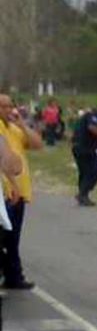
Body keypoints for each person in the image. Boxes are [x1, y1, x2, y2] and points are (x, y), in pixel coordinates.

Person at [0, 94, 44, 289]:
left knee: (13, 238)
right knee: (3, 237)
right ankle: (10, 272)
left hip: (19, 192)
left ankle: (13, 275)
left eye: (11, 106)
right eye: (4, 107)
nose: (9, 110)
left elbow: (38, 144)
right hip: (4, 192)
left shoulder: (15, 129)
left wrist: (23, 125)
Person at [71, 106, 97, 207]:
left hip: (79, 147)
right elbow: (92, 127)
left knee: (84, 172)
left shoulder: (87, 116)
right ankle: (82, 194)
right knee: (93, 172)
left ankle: (82, 194)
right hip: (85, 149)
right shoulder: (94, 116)